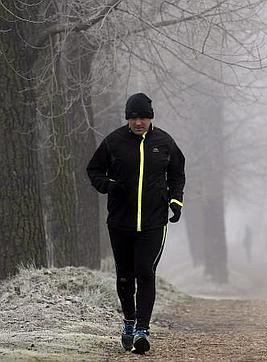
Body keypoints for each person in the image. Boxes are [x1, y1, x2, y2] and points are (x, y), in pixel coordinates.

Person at [86, 92, 185, 354]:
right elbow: (93, 169)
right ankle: (129, 322)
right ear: (127, 118)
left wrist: (176, 202)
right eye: (133, 117)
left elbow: (177, 174)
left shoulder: (164, 142)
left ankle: (143, 329)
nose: (138, 122)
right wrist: (107, 186)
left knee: (145, 272)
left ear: (150, 118)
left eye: (143, 117)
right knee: (124, 276)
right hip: (120, 221)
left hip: (153, 221)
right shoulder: (114, 142)